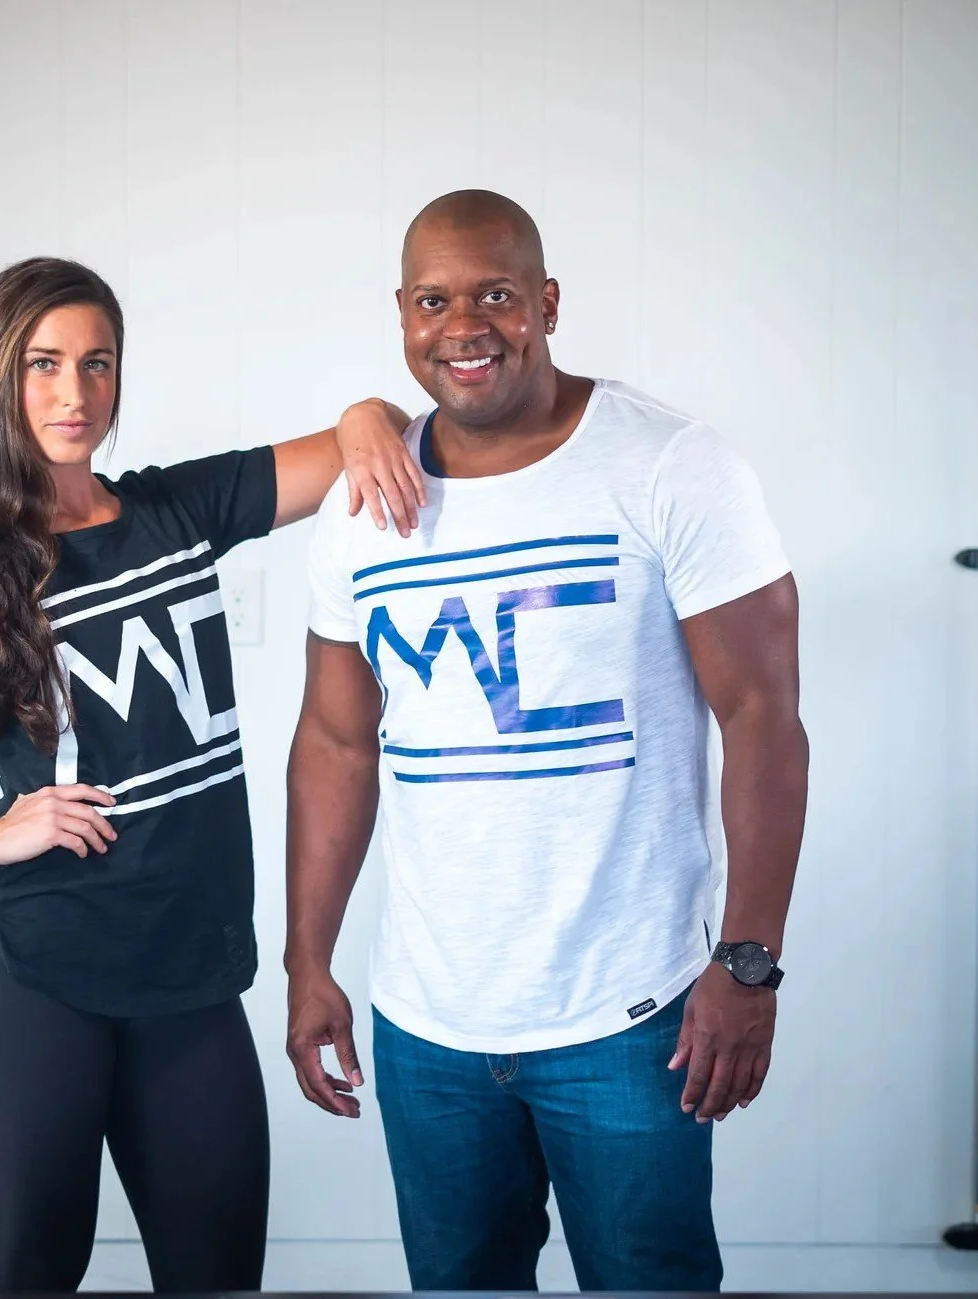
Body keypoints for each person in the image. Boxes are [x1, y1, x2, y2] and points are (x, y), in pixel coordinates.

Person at [0, 256, 421, 1294]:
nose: (74, 394)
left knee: (217, 1279)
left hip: (191, 978)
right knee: (37, 1275)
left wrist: (363, 404)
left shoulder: (177, 511)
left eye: (96, 363)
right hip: (32, 974)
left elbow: (361, 445)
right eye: (42, 365)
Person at [283, 190, 809, 1291]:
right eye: (435, 300)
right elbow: (336, 742)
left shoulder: (670, 465)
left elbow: (762, 720)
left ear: (548, 303)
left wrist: (747, 964)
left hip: (629, 1017)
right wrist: (306, 960)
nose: (464, 326)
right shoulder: (361, 504)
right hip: (426, 1028)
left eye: (496, 296)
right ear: (402, 316)